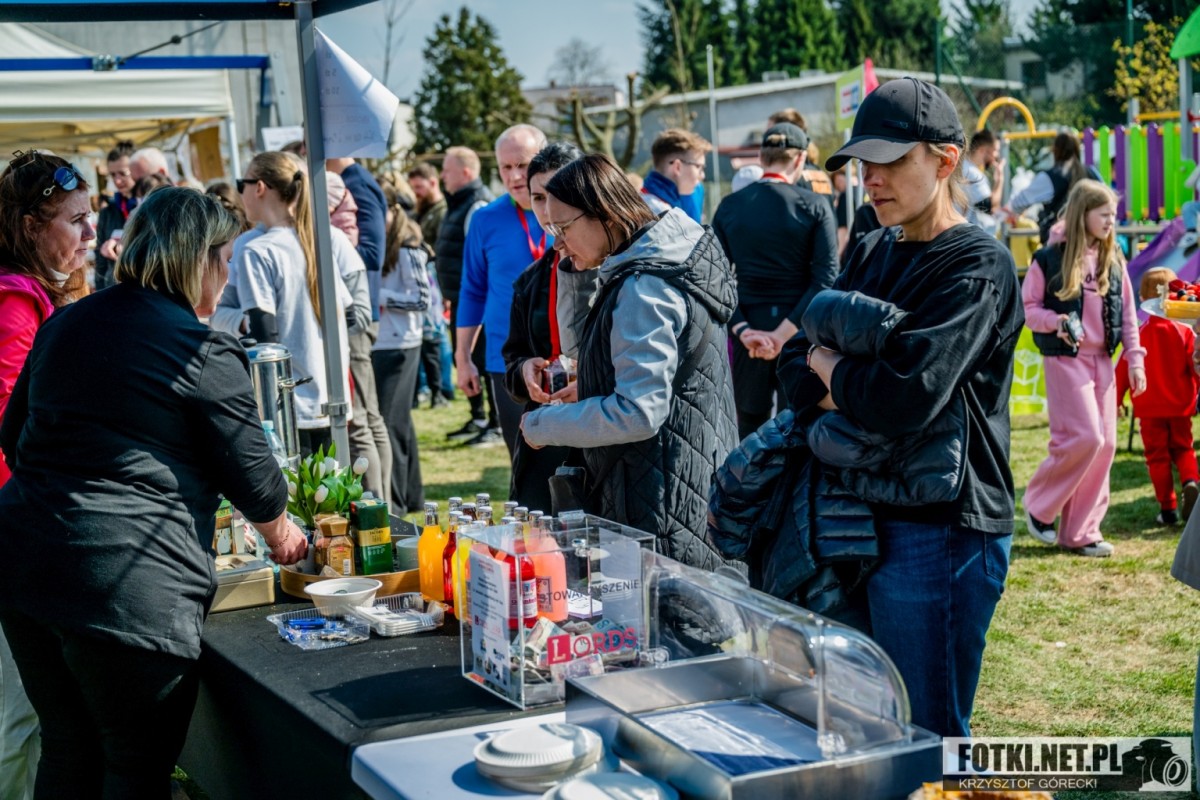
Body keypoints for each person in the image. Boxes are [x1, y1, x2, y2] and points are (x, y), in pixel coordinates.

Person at [0, 187, 307, 797]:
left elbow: (13, 436)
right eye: (225, 260)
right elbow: (252, 474)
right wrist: (286, 538)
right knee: (134, 765)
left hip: (26, 562)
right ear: (198, 258)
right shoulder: (199, 345)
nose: (228, 275)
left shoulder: (67, 321)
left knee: (69, 745)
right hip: (120, 583)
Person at [782, 77, 1024, 737]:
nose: (871, 177)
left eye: (889, 160)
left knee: (928, 738)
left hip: (940, 530)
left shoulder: (977, 265)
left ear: (946, 161)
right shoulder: (871, 248)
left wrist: (831, 365)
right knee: (871, 727)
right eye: (863, 162)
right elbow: (793, 366)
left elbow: (901, 398)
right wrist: (840, 371)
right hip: (856, 514)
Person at [520, 153, 738, 569]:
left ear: (604, 214)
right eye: (550, 230)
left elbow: (638, 412)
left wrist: (543, 424)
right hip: (674, 480)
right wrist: (575, 275)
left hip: (663, 498)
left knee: (670, 606)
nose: (556, 244)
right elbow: (585, 354)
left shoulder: (645, 286)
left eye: (563, 228)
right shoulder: (645, 266)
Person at [0, 150, 95, 800]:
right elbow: (15, 430)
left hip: (28, 521)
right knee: (19, 712)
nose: (90, 231)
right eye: (74, 219)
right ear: (32, 226)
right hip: (17, 527)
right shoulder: (13, 304)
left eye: (90, 216)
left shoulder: (38, 293)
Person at [1022, 179, 1144, 556]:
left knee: (1105, 445)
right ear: (1083, 214)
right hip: (1066, 359)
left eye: (1113, 215)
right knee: (1085, 437)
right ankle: (1039, 506)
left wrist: (1136, 361)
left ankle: (1081, 532)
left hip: (1102, 361)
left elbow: (1128, 316)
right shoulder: (1049, 258)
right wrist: (1055, 322)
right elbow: (1029, 309)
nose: (1111, 221)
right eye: (1104, 214)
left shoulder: (1114, 259)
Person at [711, 122, 839, 439]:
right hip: (799, 333)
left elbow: (714, 278)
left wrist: (743, 330)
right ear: (800, 160)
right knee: (797, 425)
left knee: (748, 427)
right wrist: (783, 335)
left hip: (748, 333)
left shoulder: (730, 206)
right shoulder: (815, 205)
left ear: (761, 157)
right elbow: (826, 278)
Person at [233, 151, 356, 456]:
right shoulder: (316, 240)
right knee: (332, 485)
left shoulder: (257, 250)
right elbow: (350, 315)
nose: (240, 193)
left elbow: (265, 336)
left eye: (241, 184)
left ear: (260, 188)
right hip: (332, 395)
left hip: (287, 405)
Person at [456, 124, 550, 454]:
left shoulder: (569, 211)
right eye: (505, 167)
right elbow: (472, 290)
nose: (515, 176)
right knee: (522, 457)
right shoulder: (486, 219)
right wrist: (463, 357)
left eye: (523, 165)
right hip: (507, 360)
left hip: (565, 355)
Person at [502, 141, 583, 513]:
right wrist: (525, 371)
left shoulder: (620, 269)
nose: (548, 210)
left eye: (556, 195)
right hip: (546, 438)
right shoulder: (530, 281)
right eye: (537, 198)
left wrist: (593, 381)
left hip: (607, 438)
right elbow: (513, 359)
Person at [1116, 267, 1199, 525]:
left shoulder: (1138, 335)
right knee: (1184, 448)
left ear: (1143, 298)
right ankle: (1190, 482)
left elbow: (1122, 371)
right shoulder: (1184, 332)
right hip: (1180, 405)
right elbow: (1195, 366)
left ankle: (1168, 508)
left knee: (1157, 457)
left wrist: (1116, 401)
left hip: (1149, 408)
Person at [374, 189, 430, 513]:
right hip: (383, 342)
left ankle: (395, 503)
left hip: (401, 345)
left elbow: (422, 300)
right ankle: (411, 496)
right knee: (399, 422)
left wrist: (381, 297)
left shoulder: (409, 248)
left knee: (391, 424)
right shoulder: (381, 243)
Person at [436, 146, 495, 442]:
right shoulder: (459, 203)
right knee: (467, 360)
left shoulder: (477, 205)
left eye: (447, 170)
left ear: (466, 172)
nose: (442, 176)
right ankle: (478, 416)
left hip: (477, 300)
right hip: (460, 298)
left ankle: (495, 423)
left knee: (483, 360)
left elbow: (478, 260)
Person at [1005, 131, 1101, 244]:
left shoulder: (1050, 177)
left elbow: (1018, 203)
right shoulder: (1091, 173)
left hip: (1060, 239)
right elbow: (1106, 198)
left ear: (1055, 150)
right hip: (1090, 238)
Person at [641, 128, 710, 223]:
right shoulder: (659, 213)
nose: (702, 175)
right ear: (677, 167)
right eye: (698, 167)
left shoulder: (651, 202)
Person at [94, 140, 135, 290]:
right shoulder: (107, 212)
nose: (117, 180)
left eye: (123, 173)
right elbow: (100, 260)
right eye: (113, 175)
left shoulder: (149, 208)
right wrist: (99, 293)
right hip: (113, 289)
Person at [409, 161, 447, 251]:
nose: (415, 192)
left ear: (433, 183)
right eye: (413, 187)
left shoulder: (443, 212)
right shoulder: (417, 210)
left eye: (418, 187)